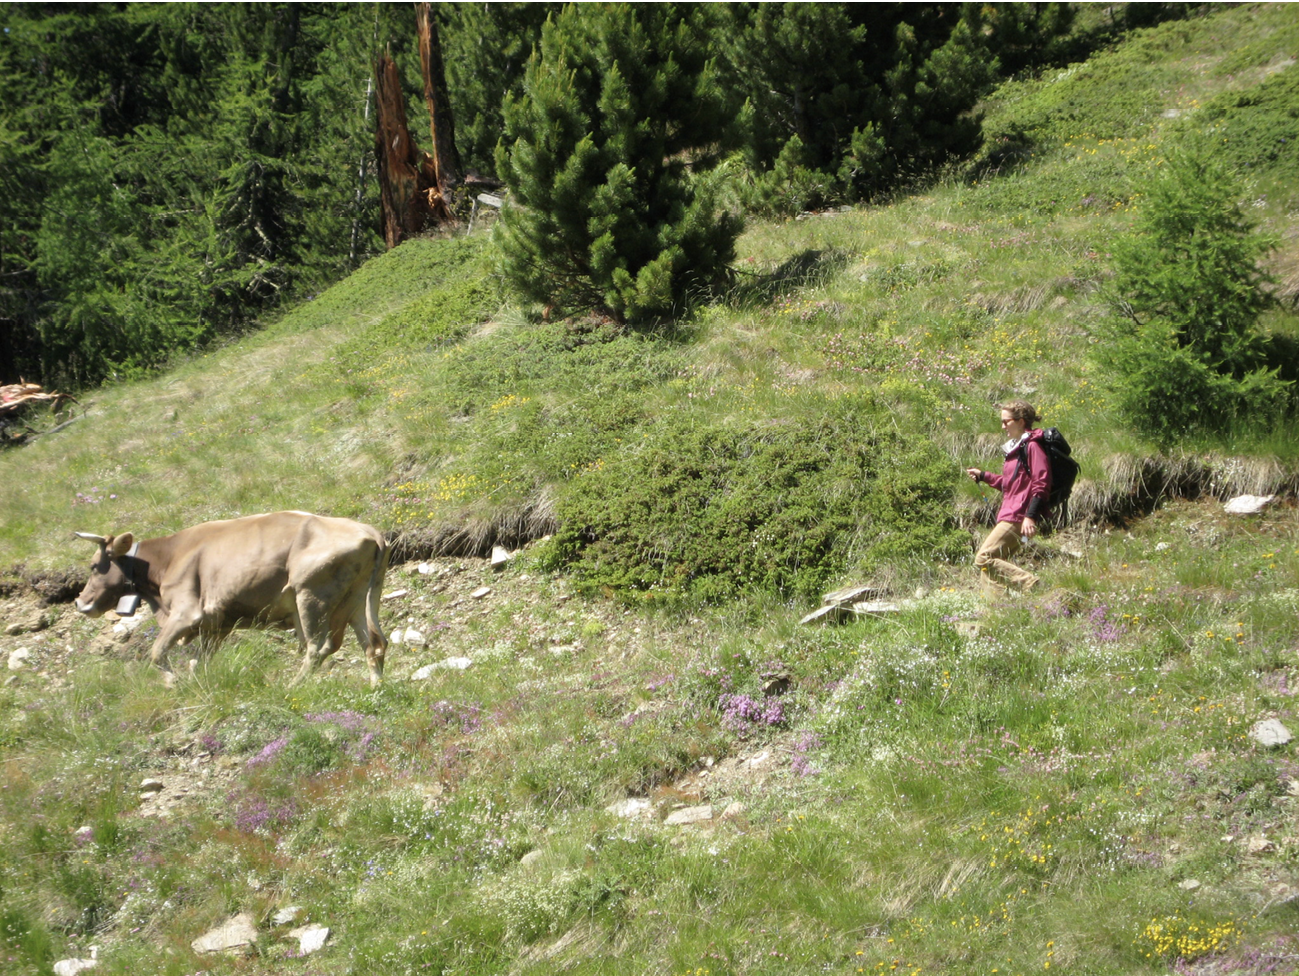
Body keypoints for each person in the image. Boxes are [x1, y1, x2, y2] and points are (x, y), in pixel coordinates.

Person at [965, 400, 1051, 593]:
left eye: (1006, 422)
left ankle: (1032, 584)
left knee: (983, 558)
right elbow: (1009, 484)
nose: (1002, 426)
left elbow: (1041, 482)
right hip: (1011, 511)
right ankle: (995, 615)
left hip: (1019, 515)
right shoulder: (1016, 449)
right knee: (991, 567)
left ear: (1021, 421)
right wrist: (984, 476)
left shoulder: (1033, 447)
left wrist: (1031, 516)